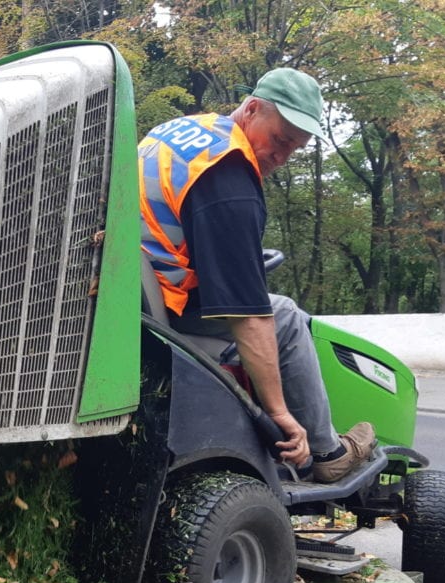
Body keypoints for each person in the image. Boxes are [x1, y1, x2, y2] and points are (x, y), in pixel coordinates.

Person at [139, 67, 374, 483]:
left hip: (137, 288)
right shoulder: (227, 175)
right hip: (163, 308)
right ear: (251, 109)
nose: (282, 157)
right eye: (281, 139)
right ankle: (326, 451)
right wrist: (280, 412)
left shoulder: (187, 132)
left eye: (294, 149)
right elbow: (248, 315)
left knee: (275, 315)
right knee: (282, 315)